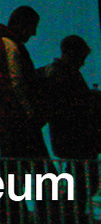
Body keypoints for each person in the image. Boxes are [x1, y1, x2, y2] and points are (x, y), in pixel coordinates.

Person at [0, 6, 51, 224]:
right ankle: (50, 217)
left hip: (5, 123)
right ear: (21, 24)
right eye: (32, 27)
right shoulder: (9, 47)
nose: (34, 33)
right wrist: (31, 115)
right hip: (19, 123)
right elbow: (15, 84)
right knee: (43, 175)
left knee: (12, 177)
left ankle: (12, 217)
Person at [40, 35, 99, 224]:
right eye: (82, 57)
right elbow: (76, 106)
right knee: (84, 183)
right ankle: (71, 216)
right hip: (78, 140)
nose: (83, 63)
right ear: (73, 53)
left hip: (68, 140)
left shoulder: (53, 72)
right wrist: (93, 99)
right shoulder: (65, 74)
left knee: (80, 182)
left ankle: (71, 215)